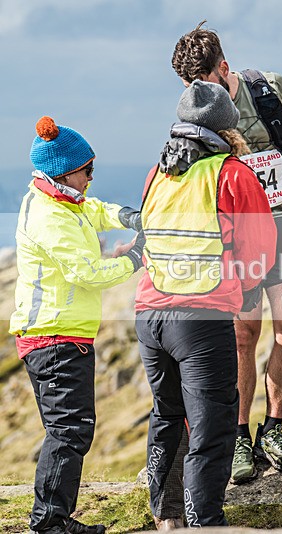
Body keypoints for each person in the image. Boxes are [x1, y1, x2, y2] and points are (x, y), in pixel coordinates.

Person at [171, 22, 282, 481]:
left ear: (224, 68)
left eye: (206, 84)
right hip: (236, 235)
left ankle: (273, 430)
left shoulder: (269, 88)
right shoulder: (194, 112)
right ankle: (238, 438)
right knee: (242, 336)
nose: (199, 97)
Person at [134, 80, 276, 527]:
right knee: (213, 429)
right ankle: (205, 523)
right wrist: (246, 290)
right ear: (226, 128)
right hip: (201, 317)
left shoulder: (157, 173)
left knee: (168, 419)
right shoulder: (232, 173)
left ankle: (168, 518)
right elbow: (259, 249)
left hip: (149, 316)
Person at [12, 117, 144, 534]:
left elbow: (93, 209)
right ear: (66, 171)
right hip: (53, 337)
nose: (91, 178)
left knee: (70, 428)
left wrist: (128, 216)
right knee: (69, 430)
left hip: (62, 334)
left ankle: (53, 516)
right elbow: (85, 273)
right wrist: (135, 260)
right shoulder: (50, 216)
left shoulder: (60, 199)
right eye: (87, 170)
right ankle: (50, 521)